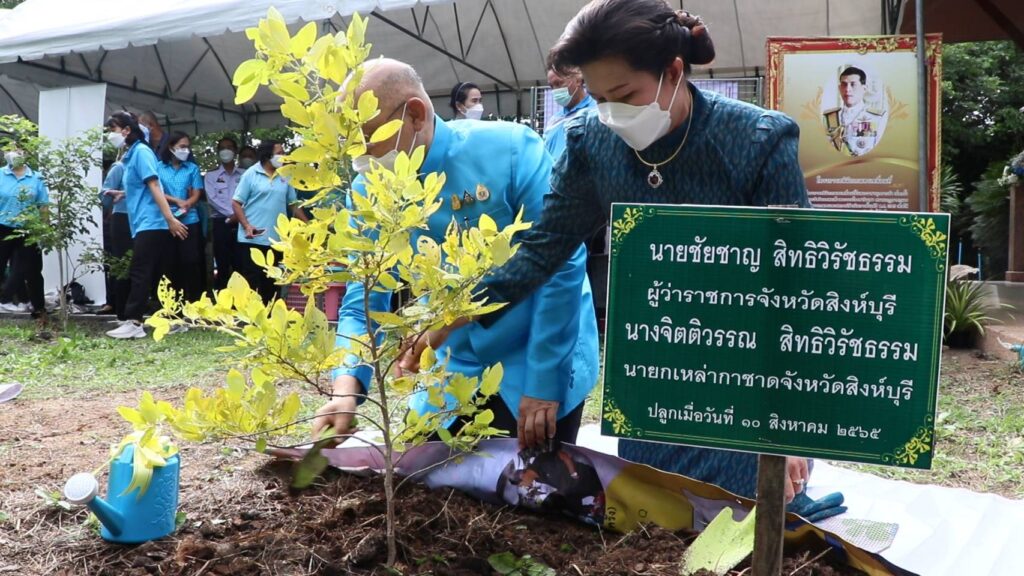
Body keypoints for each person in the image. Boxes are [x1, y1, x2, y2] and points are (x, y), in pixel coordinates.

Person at [405, 0, 814, 504]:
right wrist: (456, 313)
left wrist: (788, 425)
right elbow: (543, 250)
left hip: (747, 365)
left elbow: (795, 288)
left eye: (624, 95)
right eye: (599, 98)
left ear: (673, 72)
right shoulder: (592, 143)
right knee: (658, 510)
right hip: (653, 361)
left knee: (749, 507)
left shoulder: (757, 140)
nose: (613, 114)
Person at [312, 59, 599, 450]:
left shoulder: (510, 150)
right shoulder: (369, 192)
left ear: (415, 115)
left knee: (533, 479)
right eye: (352, 148)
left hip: (536, 351)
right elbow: (362, 303)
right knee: (420, 467)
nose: (361, 160)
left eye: (367, 140)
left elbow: (561, 265)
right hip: (452, 364)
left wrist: (544, 383)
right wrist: (346, 387)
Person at [104, 111, 188, 339]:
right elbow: (141, 187)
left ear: (126, 130)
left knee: (140, 270)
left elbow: (154, 186)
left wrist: (170, 219)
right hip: (145, 221)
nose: (110, 134)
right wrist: (123, 193)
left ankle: (134, 322)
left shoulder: (141, 152)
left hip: (153, 222)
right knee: (160, 271)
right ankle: (173, 319)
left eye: (112, 129)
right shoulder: (132, 155)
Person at [231, 140, 308, 303]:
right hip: (252, 237)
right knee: (252, 281)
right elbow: (236, 202)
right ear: (267, 156)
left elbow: (293, 204)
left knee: (273, 283)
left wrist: (307, 225)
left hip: (277, 239)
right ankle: (252, 314)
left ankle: (272, 314)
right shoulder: (251, 174)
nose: (283, 156)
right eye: (279, 153)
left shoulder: (285, 174)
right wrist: (246, 225)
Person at [157, 131, 205, 303]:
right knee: (168, 263)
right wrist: (176, 200)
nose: (186, 150)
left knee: (191, 262)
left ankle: (195, 304)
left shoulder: (192, 168)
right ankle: (171, 305)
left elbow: (196, 193)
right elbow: (156, 191)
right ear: (171, 147)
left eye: (187, 147)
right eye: (182, 147)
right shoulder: (158, 167)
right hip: (166, 221)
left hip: (189, 220)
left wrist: (187, 203)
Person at [0, 145, 47, 317]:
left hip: (29, 228)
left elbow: (43, 205)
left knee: (32, 269)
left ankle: (39, 308)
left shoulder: (36, 177)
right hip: (3, 226)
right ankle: (6, 300)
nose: (13, 153)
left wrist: (44, 229)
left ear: (25, 153)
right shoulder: (1, 174)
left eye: (18, 150)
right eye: (9, 150)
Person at [822, 65, 887, 157]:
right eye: (844, 84)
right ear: (839, 88)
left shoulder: (877, 118)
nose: (847, 89)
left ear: (864, 88)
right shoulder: (829, 117)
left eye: (853, 84)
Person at [205, 136, 243, 290]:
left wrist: (238, 215)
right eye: (222, 148)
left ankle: (243, 298)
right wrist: (232, 214)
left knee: (241, 262)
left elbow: (250, 196)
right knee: (222, 262)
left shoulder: (244, 174)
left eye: (229, 147)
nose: (225, 151)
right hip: (221, 223)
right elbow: (212, 199)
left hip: (242, 222)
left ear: (235, 151)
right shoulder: (211, 175)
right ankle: (222, 296)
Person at [544, 65, 596, 159]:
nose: (555, 90)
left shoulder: (595, 112)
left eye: (559, 83)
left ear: (578, 80)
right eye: (551, 86)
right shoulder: (554, 121)